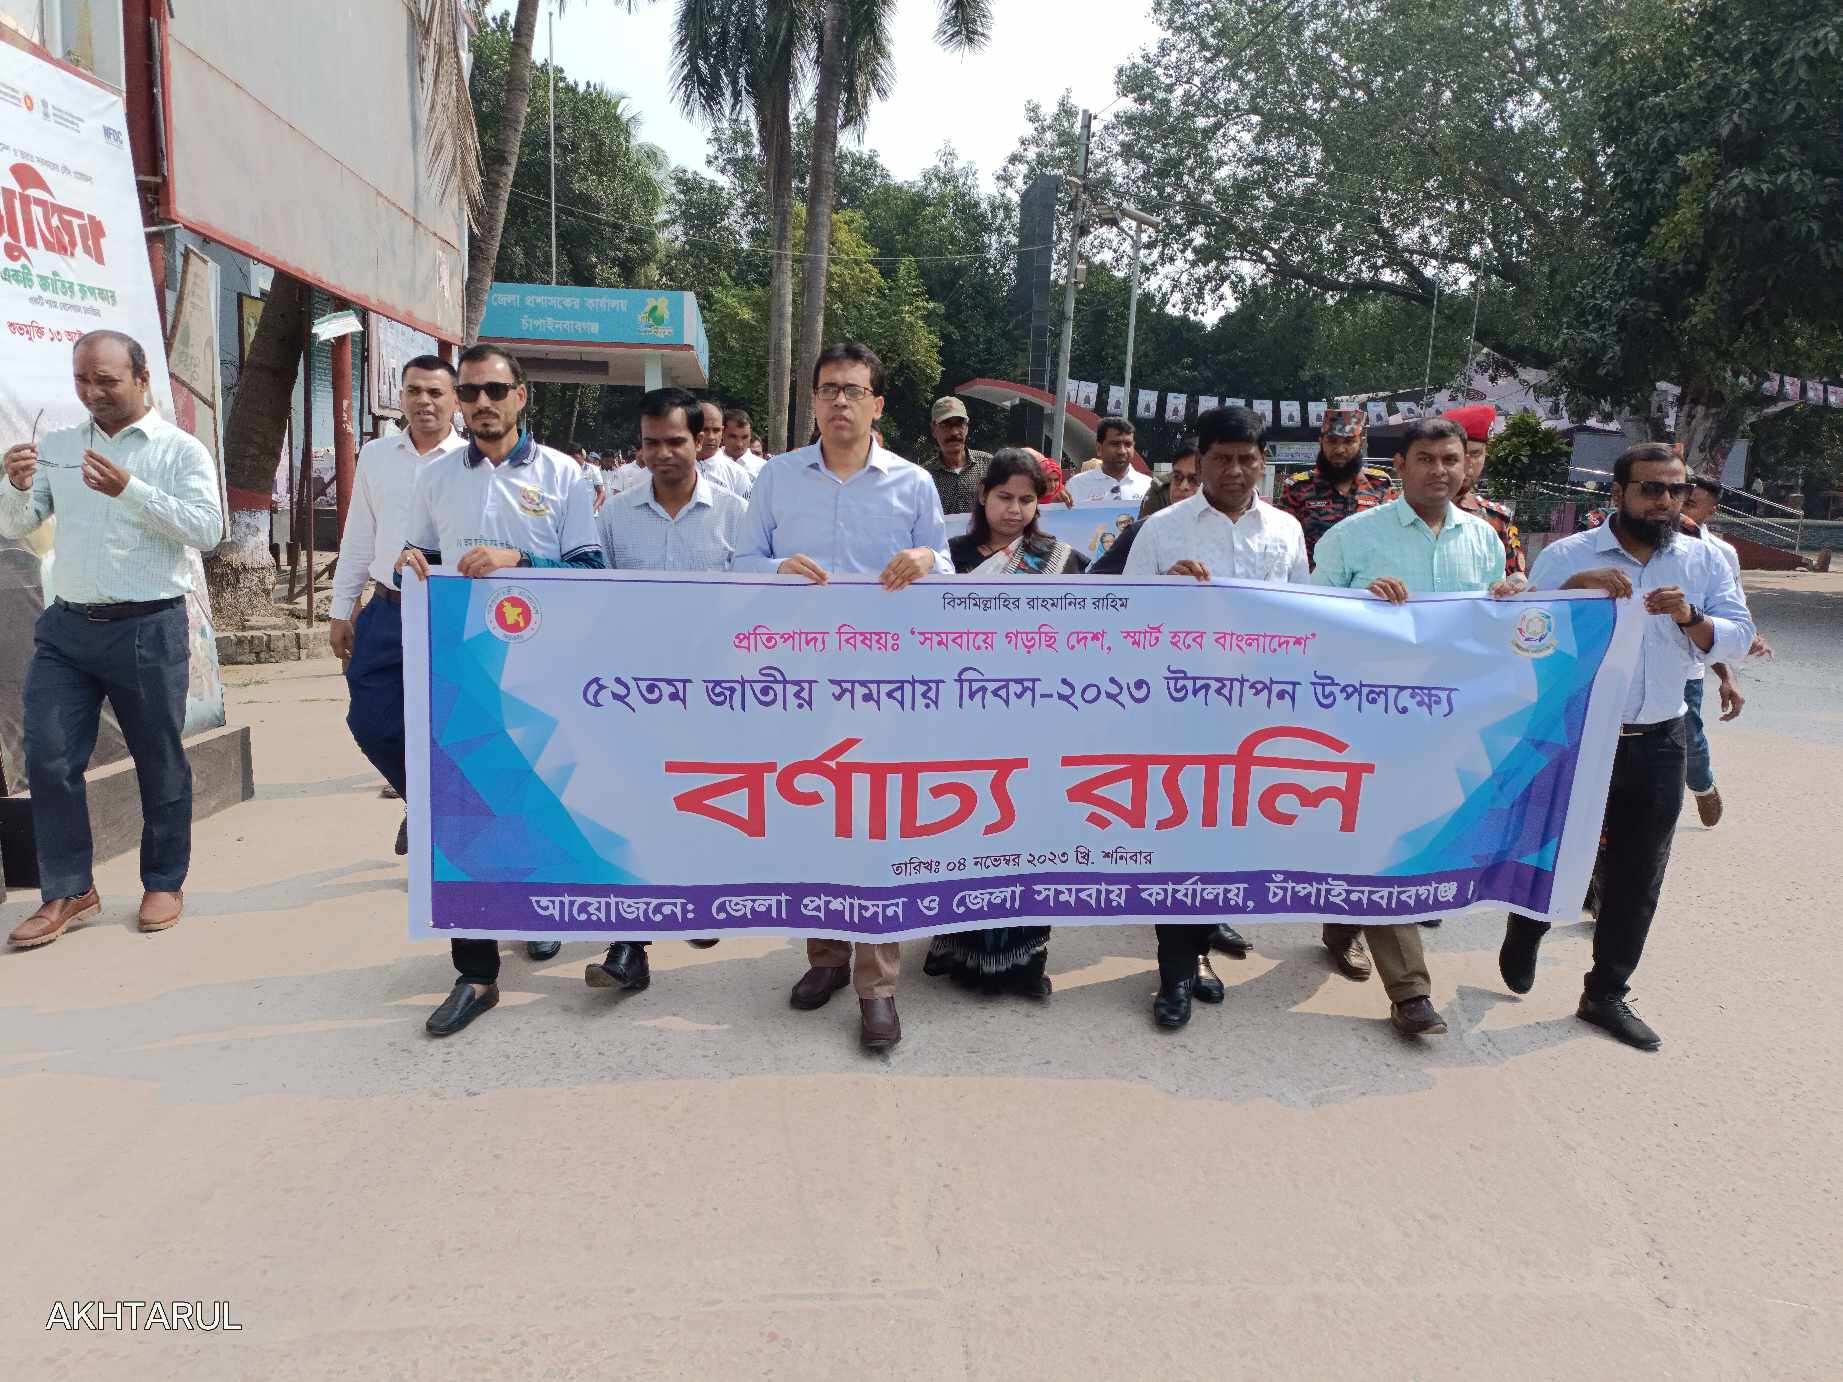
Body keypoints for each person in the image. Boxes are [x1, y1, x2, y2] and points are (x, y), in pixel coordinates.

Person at [733, 341, 951, 1052]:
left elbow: (947, 571)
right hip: (798, 681)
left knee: (877, 825)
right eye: (828, 389)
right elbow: (738, 562)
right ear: (813, 401)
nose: (839, 402)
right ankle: (824, 956)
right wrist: (775, 569)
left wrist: (926, 559)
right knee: (814, 815)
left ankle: (877, 986)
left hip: (885, 685)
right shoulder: (776, 478)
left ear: (877, 404)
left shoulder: (912, 483)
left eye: (854, 390)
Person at [1498, 445, 1753, 1050]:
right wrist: (1573, 591)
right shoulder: (1569, 556)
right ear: (1617, 494)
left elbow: (1738, 635)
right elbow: (1521, 639)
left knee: (1640, 873)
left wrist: (1690, 617)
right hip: (1575, 735)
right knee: (1553, 848)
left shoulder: (1706, 559)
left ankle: (1606, 992)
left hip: (1659, 738)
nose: (1665, 501)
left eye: (1676, 490)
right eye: (1651, 489)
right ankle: (1527, 926)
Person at [397, 344, 604, 1037]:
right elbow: (418, 557)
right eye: (470, 392)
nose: (481, 403)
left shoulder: (563, 475)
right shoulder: (435, 478)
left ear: (520, 396)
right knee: (467, 810)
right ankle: (476, 973)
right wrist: (410, 564)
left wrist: (522, 560)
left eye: (494, 390)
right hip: (463, 669)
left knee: (540, 797)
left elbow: (591, 569)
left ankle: (538, 915)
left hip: (546, 670)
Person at [2, 331, 222, 949]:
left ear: (142, 378)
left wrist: (132, 490)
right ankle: (69, 889)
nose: (92, 392)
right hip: (67, 630)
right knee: (48, 757)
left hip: (148, 627)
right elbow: (17, 525)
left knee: (158, 758)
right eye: (82, 379)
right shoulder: (59, 447)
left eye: (106, 380)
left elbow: (208, 530)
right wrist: (15, 486)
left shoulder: (179, 451)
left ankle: (164, 880)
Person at [1311, 416, 1528, 1035]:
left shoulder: (1484, 539)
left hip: (1452, 720)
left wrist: (1513, 597)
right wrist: (1362, 607)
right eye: (1426, 459)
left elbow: (1494, 628)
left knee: (1403, 834)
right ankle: (1410, 992)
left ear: (1467, 465)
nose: (1440, 471)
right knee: (1389, 836)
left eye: (1450, 460)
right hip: (1370, 718)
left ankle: (1343, 922)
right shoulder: (1353, 537)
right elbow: (1308, 620)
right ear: (1399, 467)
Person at [1124, 406, 1311, 1026]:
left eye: (1246, 459)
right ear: (1199, 461)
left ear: (1263, 462)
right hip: (1179, 710)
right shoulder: (1161, 531)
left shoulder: (1286, 531)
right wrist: (1165, 593)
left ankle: (1201, 944)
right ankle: (1175, 974)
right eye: (1221, 458)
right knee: (1181, 836)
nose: (1234, 470)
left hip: (1255, 714)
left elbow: (1304, 617)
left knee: (1228, 837)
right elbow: (1125, 618)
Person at [586, 387, 748, 996]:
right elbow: (592, 599)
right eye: (650, 443)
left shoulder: (736, 513)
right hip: (637, 694)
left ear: (700, 441)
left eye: (675, 441)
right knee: (637, 808)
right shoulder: (614, 516)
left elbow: (760, 604)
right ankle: (629, 946)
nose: (661, 454)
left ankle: (701, 898)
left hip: (716, 695)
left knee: (704, 803)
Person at [923, 449, 1087, 996]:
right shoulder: (948, 558)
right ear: (982, 496)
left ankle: (1025, 959)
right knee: (964, 828)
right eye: (1004, 497)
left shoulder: (1061, 560)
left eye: (1026, 499)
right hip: (963, 717)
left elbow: (1088, 634)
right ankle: (956, 945)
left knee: (1027, 833)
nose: (1014, 510)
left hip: (1035, 720)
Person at [329, 356, 465, 857]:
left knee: (452, 726)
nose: (424, 401)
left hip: (451, 613)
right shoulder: (377, 455)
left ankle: (449, 827)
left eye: (435, 392)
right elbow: (359, 534)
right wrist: (341, 608)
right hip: (387, 609)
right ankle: (425, 802)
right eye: (414, 391)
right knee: (370, 720)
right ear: (400, 397)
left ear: (456, 400)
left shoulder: (473, 462)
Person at [1677, 474, 1762, 828]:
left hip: (1686, 669)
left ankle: (1702, 786)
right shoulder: (1638, 542)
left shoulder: (1719, 555)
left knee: (1688, 736)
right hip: (1627, 668)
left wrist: (1728, 677)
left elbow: (1727, 621)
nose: (1679, 507)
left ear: (1712, 510)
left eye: (1690, 502)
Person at [1277, 406, 1395, 568]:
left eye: (1349, 441)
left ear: (1361, 443)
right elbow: (1282, 544)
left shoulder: (1380, 484)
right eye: (1332, 441)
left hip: (1367, 581)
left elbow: (1393, 538)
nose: (1340, 450)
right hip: (1313, 580)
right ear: (1321, 442)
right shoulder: (1297, 488)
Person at [1090, 443, 1203, 576]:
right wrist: (1165, 583)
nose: (1183, 486)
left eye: (1194, 479)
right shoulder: (1141, 531)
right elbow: (1094, 582)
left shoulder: (1225, 533)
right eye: (1177, 477)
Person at [1443, 404, 1524, 578]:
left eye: (1475, 454)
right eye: (1455, 455)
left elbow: (1515, 577)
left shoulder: (1496, 519)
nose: (1467, 464)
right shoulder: (1397, 511)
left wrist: (1512, 586)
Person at [920, 395, 991, 516]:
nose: (954, 432)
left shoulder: (989, 465)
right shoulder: (924, 476)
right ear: (933, 430)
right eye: (945, 424)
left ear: (967, 428)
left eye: (959, 424)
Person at [1064, 418, 1151, 506]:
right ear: (1099, 448)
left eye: (1128, 444)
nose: (1122, 451)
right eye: (1115, 444)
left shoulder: (1148, 486)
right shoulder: (1076, 485)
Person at [695, 400, 754, 497]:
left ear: (722, 431)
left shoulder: (737, 474)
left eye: (716, 430)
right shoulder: (674, 470)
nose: (711, 437)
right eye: (705, 430)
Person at [720, 407, 763, 480]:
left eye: (744, 437)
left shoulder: (763, 468)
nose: (739, 444)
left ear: (750, 435)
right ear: (722, 434)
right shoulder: (708, 463)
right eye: (733, 437)